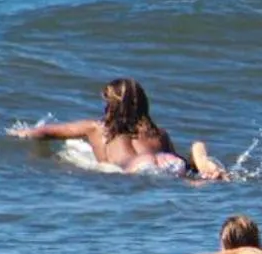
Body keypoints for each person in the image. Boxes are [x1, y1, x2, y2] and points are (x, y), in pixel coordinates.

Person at [12, 77, 229, 179]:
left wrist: (22, 133)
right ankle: (202, 157)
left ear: (111, 105)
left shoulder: (96, 128)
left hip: (135, 167)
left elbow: (47, 132)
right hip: (170, 163)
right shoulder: (159, 132)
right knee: (191, 175)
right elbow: (174, 159)